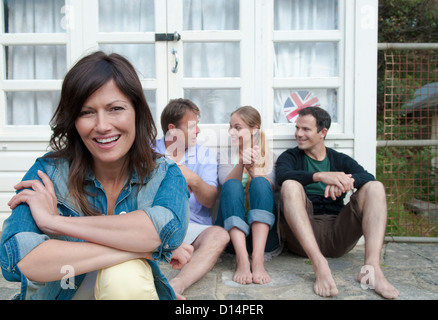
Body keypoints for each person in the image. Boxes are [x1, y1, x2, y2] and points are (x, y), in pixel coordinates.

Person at [0, 51, 193, 300]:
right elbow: (18, 257)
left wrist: (53, 222)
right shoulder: (49, 173)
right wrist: (143, 250)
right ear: (73, 120)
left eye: (116, 108)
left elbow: (166, 232)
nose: (102, 126)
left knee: (126, 276)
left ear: (137, 111)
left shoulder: (164, 174)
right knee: (129, 263)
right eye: (86, 112)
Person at [276, 106, 399, 299]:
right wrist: (321, 176)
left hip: (338, 233)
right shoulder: (290, 157)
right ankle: (319, 264)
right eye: (297, 128)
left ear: (322, 132)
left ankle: (371, 269)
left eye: (306, 129)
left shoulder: (339, 159)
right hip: (303, 234)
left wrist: (345, 182)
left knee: (375, 187)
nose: (299, 134)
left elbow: (366, 176)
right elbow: (283, 176)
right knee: (290, 185)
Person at [154, 98, 230, 300]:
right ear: (173, 129)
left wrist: (193, 179)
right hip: (152, 225)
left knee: (219, 235)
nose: (198, 131)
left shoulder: (205, 155)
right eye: (193, 126)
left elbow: (210, 201)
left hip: (191, 226)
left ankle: (176, 285)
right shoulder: (147, 152)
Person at [215, 106, 280, 285]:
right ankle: (242, 260)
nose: (231, 132)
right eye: (230, 127)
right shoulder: (225, 155)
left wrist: (254, 170)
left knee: (260, 182)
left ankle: (258, 261)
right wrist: (241, 163)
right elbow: (225, 184)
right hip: (232, 237)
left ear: (254, 129)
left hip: (263, 239)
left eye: (237, 127)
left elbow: (269, 189)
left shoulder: (271, 157)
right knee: (232, 185)